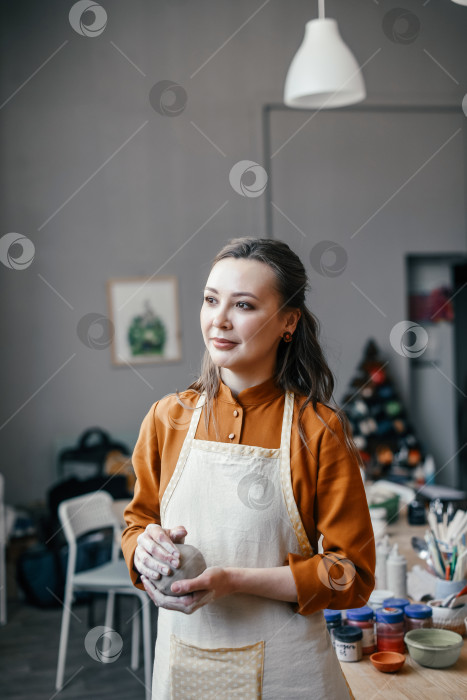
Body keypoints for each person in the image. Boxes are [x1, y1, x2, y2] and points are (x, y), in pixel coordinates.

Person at [121, 237, 375, 699]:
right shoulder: (166, 419)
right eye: (211, 300)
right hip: (183, 672)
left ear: (289, 322)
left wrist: (234, 580)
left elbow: (351, 574)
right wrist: (142, 549)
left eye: (243, 305)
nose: (219, 319)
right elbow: (137, 522)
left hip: (291, 676)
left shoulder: (318, 431)